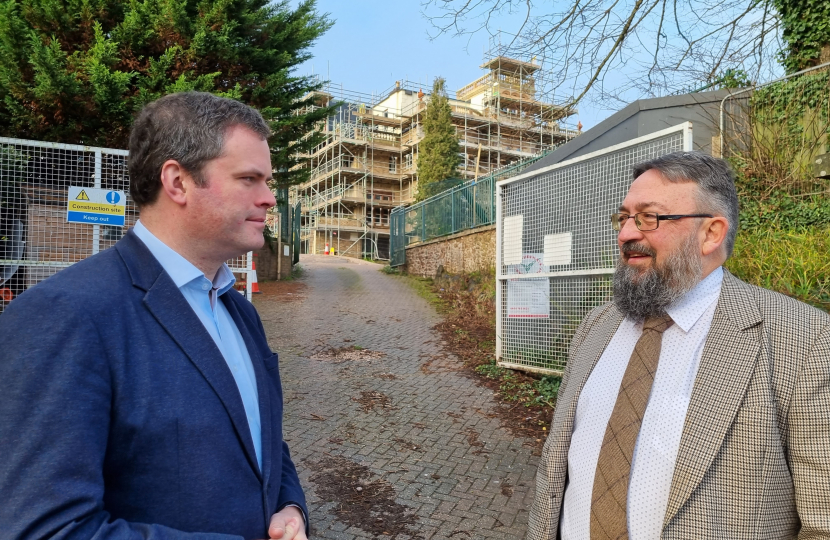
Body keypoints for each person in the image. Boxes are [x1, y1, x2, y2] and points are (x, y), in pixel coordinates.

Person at [0, 92, 308, 540]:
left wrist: (291, 505)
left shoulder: (240, 311)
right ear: (177, 182)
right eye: (249, 179)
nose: (269, 199)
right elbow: (44, 528)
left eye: (268, 181)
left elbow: (263, 439)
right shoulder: (65, 315)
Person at [527, 151, 830, 539]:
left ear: (711, 233)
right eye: (623, 218)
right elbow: (558, 471)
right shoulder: (596, 326)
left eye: (649, 218)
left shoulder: (805, 340)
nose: (626, 235)